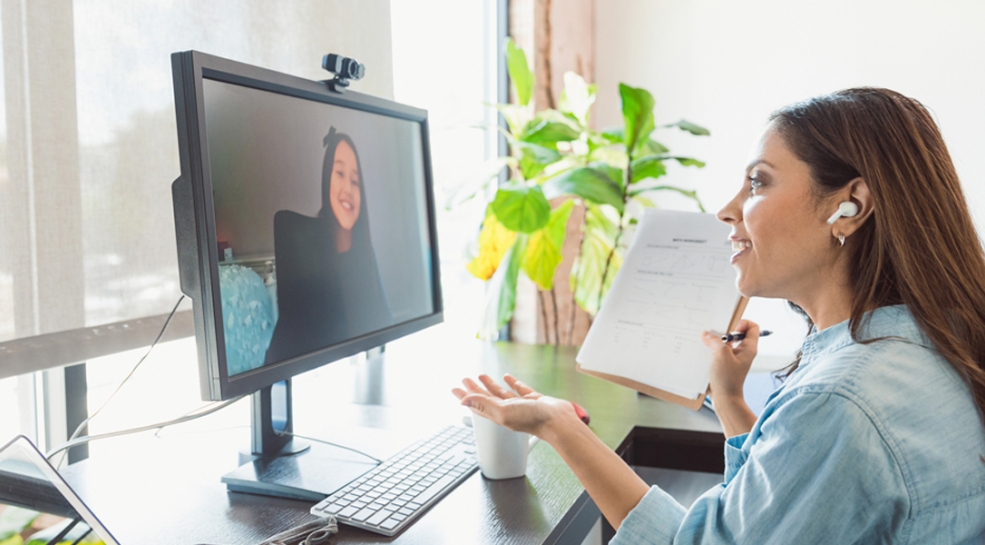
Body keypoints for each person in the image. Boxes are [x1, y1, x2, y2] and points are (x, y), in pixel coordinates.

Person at [453, 88, 985, 543]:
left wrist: (558, 425)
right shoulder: (934, 343)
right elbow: (788, 501)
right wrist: (729, 399)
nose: (728, 210)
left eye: (758, 182)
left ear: (850, 206)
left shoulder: (840, 402)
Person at [265, 127, 391, 364]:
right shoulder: (306, 251)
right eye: (340, 174)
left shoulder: (364, 253)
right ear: (326, 179)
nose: (348, 190)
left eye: (355, 181)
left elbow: (384, 322)